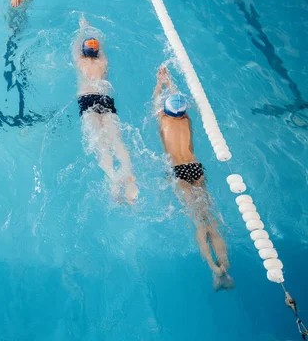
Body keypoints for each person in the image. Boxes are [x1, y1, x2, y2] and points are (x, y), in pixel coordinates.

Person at [153, 65, 234, 291]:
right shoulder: (187, 120)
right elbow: (179, 101)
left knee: (198, 221)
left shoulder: (161, 119)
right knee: (210, 218)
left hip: (178, 171)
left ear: (166, 111)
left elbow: (156, 100)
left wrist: (160, 82)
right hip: (195, 168)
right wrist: (171, 83)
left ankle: (214, 269)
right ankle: (225, 265)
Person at [73, 17, 139, 204]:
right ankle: (128, 171)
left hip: (87, 99)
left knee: (100, 142)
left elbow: (76, 47)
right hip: (105, 98)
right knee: (116, 139)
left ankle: (112, 178)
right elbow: (99, 48)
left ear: (83, 52)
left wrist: (82, 30)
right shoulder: (103, 61)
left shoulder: (79, 61)